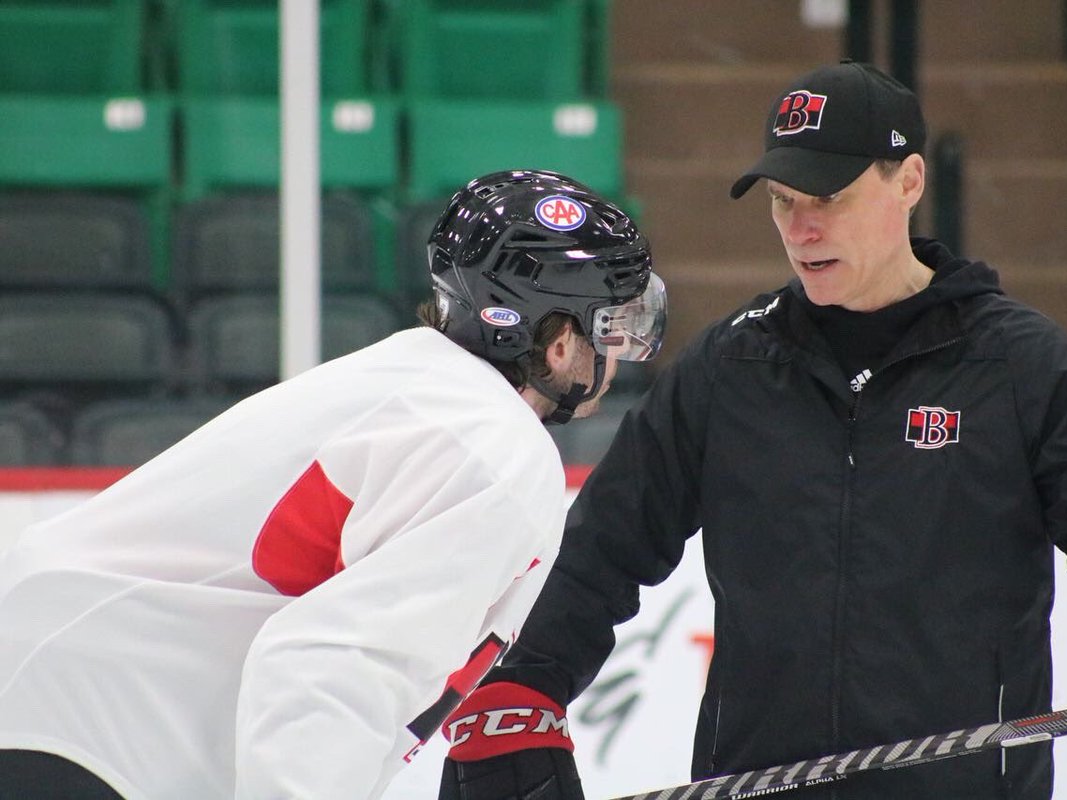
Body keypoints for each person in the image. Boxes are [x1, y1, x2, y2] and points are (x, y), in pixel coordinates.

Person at [437, 62, 1067, 799]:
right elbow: (606, 545)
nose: (800, 229)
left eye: (828, 198)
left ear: (909, 181)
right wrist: (522, 687)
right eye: (782, 200)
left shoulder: (1019, 366)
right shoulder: (731, 366)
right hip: (756, 787)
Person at [0, 169, 667, 800]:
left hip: (66, 693)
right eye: (612, 325)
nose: (619, 352)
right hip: (93, 726)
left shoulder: (422, 385)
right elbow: (328, 671)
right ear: (557, 342)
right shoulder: (498, 450)